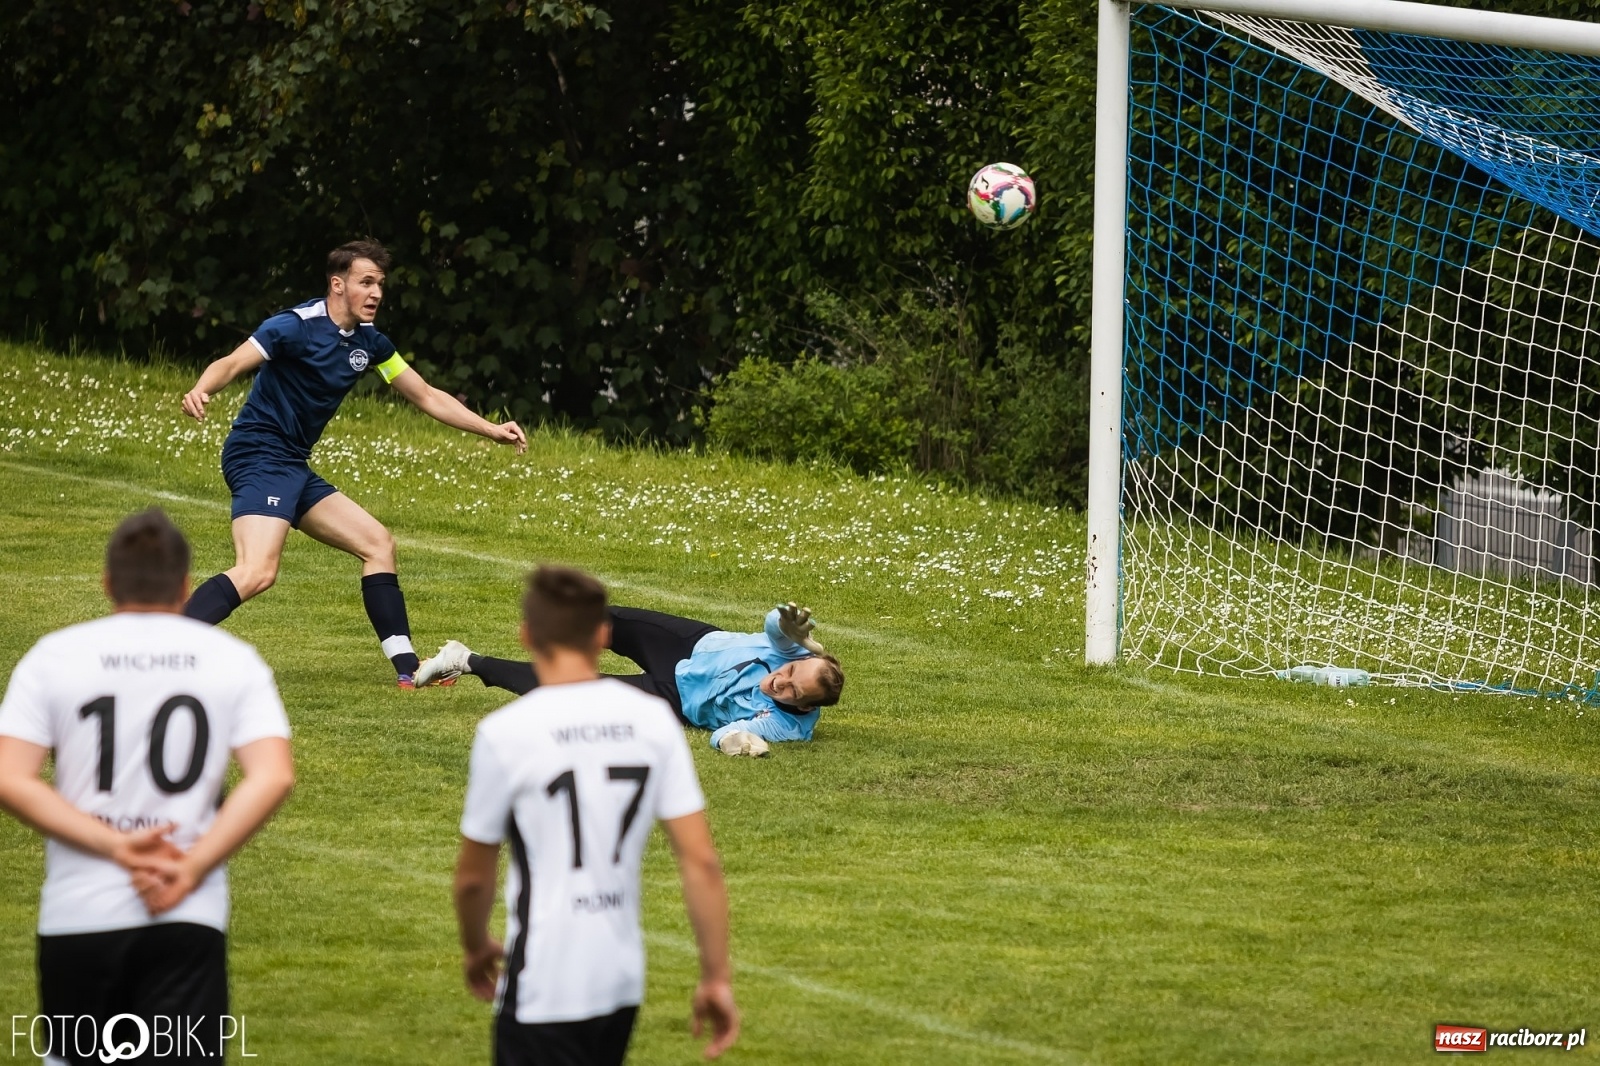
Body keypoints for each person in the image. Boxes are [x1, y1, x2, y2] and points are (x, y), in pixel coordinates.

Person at [0, 509, 295, 1065]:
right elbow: (273, 773)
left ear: (108, 583)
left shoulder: (55, 657)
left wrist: (114, 844)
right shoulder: (232, 661)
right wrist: (190, 865)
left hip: (80, 912)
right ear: (186, 585)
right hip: (187, 911)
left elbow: (11, 777)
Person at [179, 238, 528, 687]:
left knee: (377, 543)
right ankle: (163, 648)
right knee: (258, 570)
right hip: (259, 453)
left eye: (381, 284)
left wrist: (491, 429)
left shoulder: (370, 343)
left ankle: (408, 670)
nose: (377, 293)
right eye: (367, 282)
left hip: (292, 464)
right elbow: (232, 362)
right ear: (337, 284)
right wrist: (202, 388)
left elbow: (425, 395)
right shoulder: (294, 326)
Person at [453, 565, 739, 1065]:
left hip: (543, 973)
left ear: (526, 635)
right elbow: (701, 863)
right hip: (620, 978)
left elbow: (474, 878)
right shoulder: (651, 721)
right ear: (604, 635)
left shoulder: (508, 731)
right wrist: (715, 977)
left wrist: (476, 946)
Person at [419, 601, 845, 756]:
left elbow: (734, 732)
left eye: (791, 690)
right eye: (787, 672)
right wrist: (786, 625)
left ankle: (465, 659)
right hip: (691, 646)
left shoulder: (789, 724)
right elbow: (776, 624)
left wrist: (733, 741)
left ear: (805, 706)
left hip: (672, 699)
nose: (779, 682)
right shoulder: (791, 650)